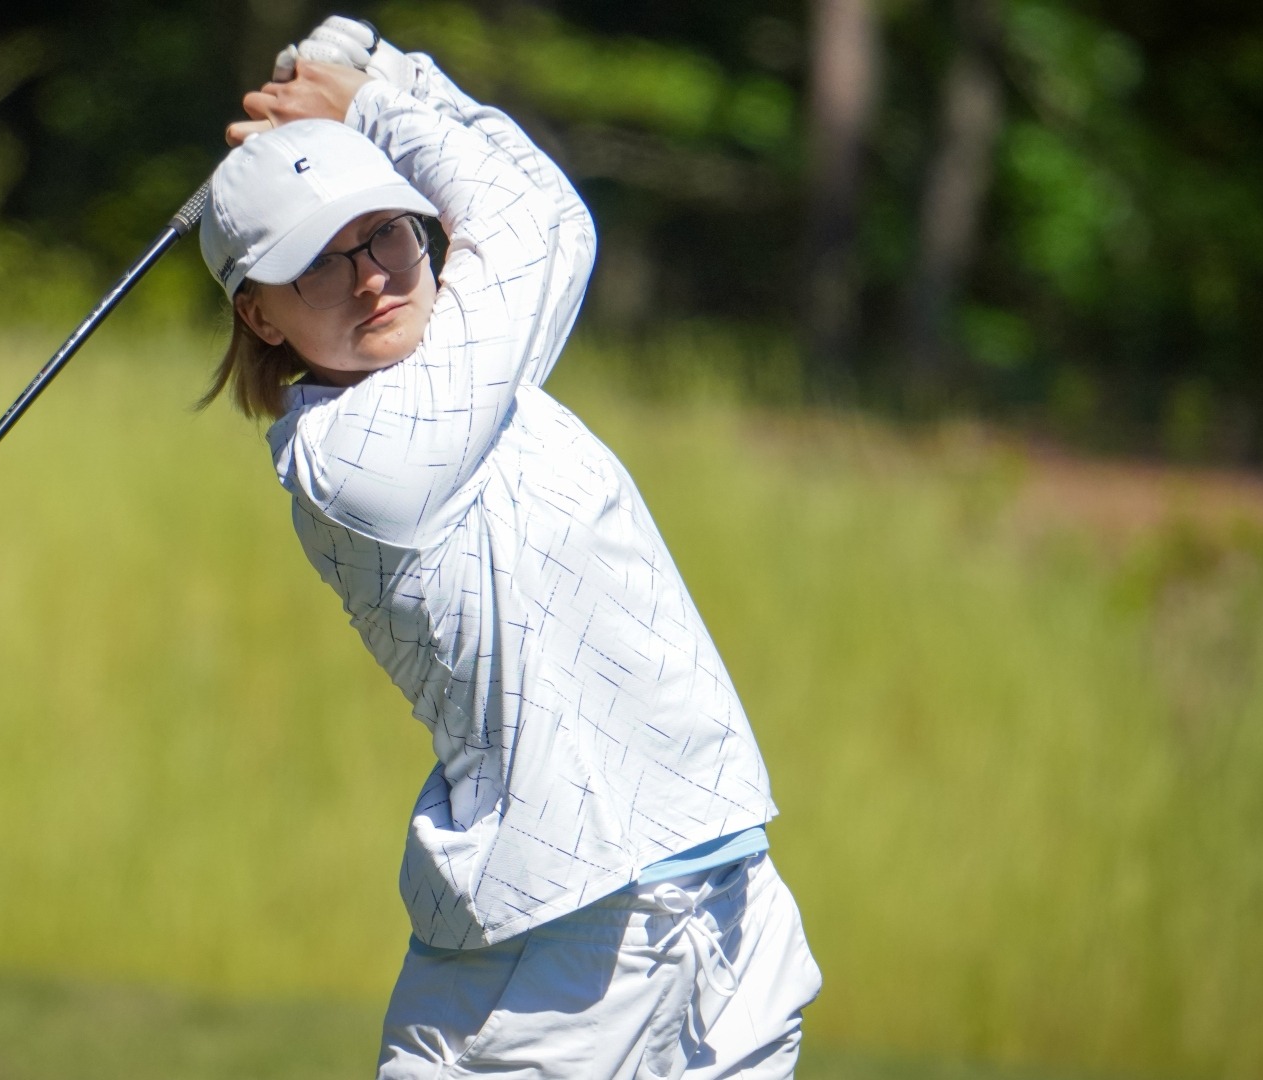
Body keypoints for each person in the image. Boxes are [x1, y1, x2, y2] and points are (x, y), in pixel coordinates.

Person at [198, 18, 822, 1079]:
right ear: (258, 316)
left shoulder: (465, 363)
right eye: (319, 264)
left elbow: (523, 214)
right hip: (551, 966)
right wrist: (379, 99)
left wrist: (382, 70)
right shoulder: (350, 462)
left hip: (725, 903)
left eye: (386, 232)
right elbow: (540, 225)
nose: (372, 278)